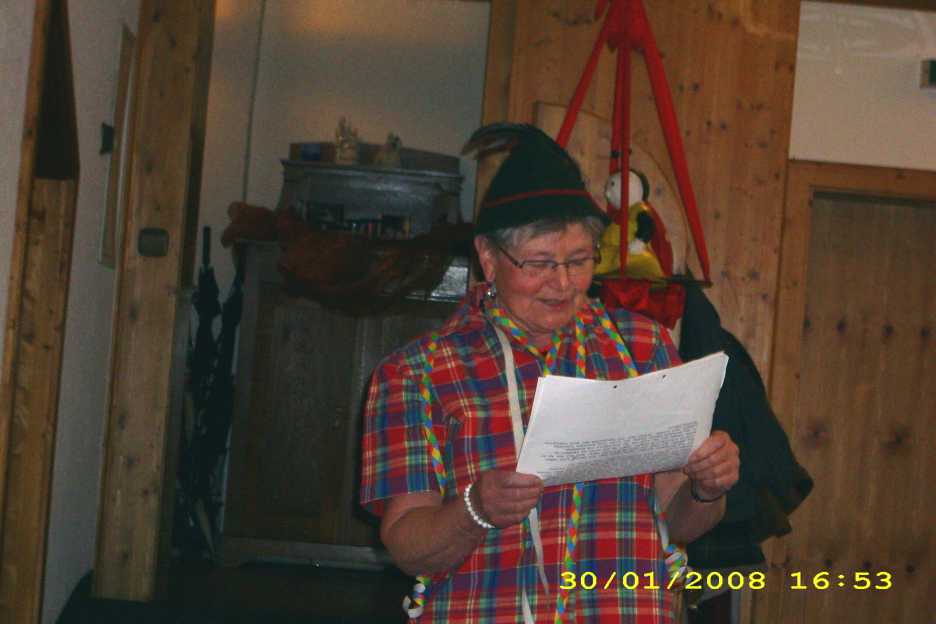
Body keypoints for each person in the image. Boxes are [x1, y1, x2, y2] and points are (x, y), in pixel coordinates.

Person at [360, 124, 739, 623]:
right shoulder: (417, 374)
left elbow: (681, 521)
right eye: (539, 263)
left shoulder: (641, 347)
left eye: (579, 260)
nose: (562, 283)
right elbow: (407, 545)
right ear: (489, 257)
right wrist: (475, 509)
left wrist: (708, 487)